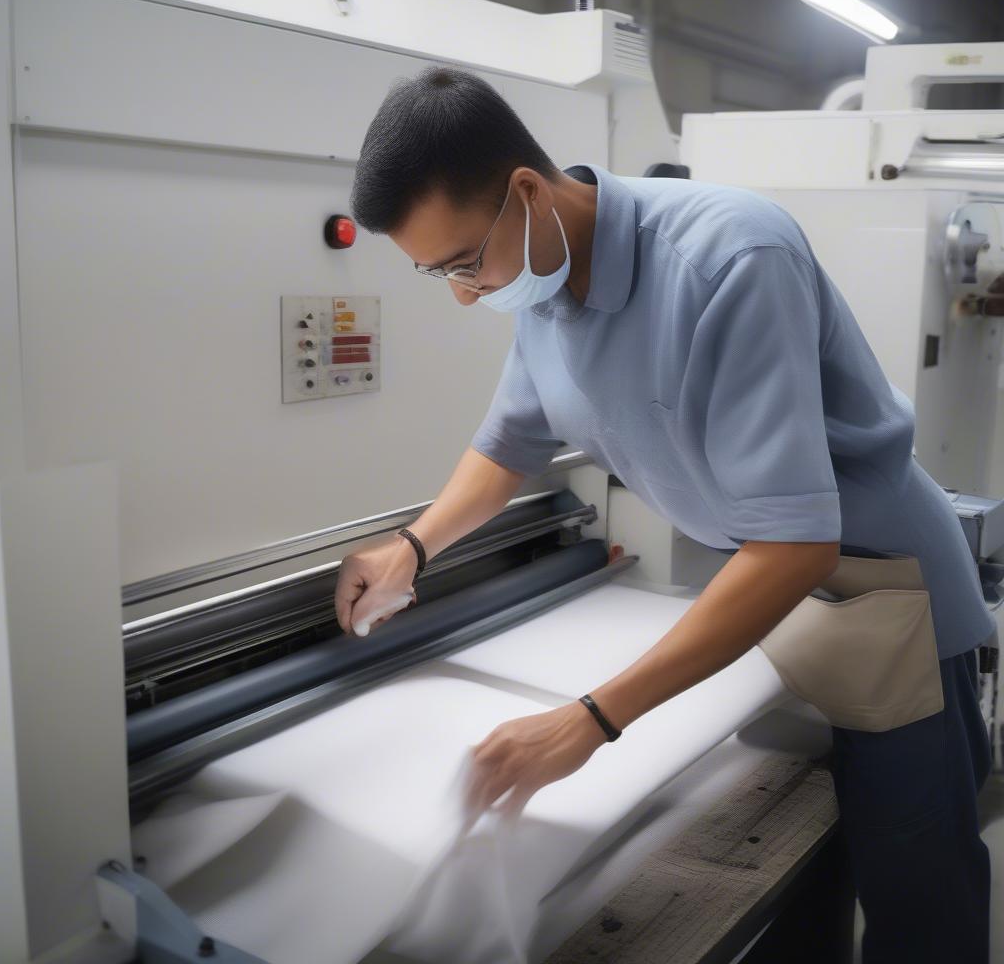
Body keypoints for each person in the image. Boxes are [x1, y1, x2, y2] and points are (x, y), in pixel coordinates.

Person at [335, 65, 994, 962]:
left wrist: (591, 721)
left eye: (461, 263)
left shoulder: (730, 259)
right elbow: (506, 447)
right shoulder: (538, 280)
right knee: (811, 871)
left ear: (525, 193)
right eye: (436, 273)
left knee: (920, 901)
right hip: (777, 600)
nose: (462, 292)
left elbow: (799, 543)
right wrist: (413, 546)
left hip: (893, 605)